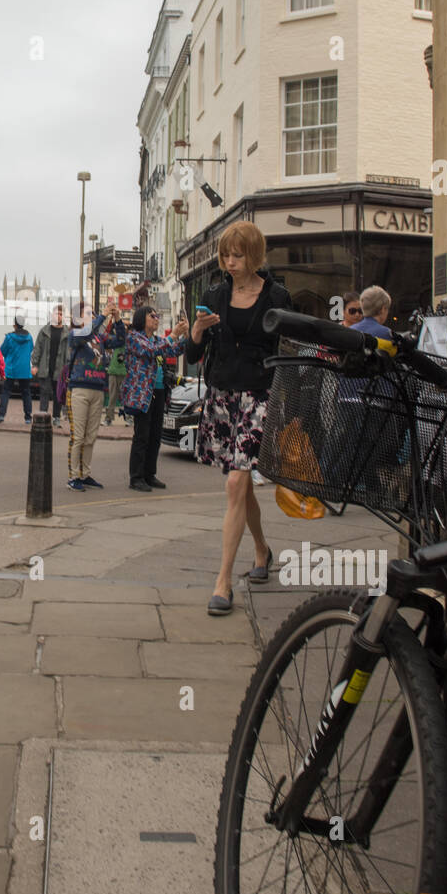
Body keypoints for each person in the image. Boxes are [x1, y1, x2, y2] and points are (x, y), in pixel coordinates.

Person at [184, 221, 293, 615]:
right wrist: (197, 331)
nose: (231, 262)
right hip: (222, 394)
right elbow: (192, 356)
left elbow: (289, 351)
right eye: (226, 255)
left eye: (239, 255)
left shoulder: (277, 296)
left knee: (235, 483)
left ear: (255, 255)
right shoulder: (214, 294)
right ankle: (261, 550)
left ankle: (223, 582)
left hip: (260, 395)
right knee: (241, 487)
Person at [122, 306, 190, 491]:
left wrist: (186, 335)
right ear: (141, 318)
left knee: (155, 436)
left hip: (158, 391)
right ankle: (136, 477)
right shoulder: (134, 338)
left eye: (157, 315)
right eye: (152, 316)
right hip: (142, 394)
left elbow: (173, 351)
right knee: (142, 436)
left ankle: (149, 474)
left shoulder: (157, 339)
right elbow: (151, 351)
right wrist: (173, 334)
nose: (156, 318)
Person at [66, 298, 126, 490]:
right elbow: (84, 334)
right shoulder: (75, 334)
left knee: (91, 436)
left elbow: (120, 341)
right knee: (78, 436)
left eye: (92, 313)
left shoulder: (99, 338)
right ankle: (73, 476)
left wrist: (117, 320)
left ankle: (85, 473)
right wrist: (102, 316)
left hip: (97, 388)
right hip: (79, 388)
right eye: (87, 313)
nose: (91, 316)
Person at [32, 304, 68, 428]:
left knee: (58, 395)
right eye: (56, 313)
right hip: (45, 367)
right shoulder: (44, 331)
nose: (58, 316)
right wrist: (35, 364)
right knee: (44, 393)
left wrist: (68, 369)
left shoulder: (67, 333)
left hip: (60, 369)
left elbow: (69, 353)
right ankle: (43, 416)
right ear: (51, 315)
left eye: (60, 314)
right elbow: (37, 348)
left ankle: (56, 417)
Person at [0, 314, 35, 424]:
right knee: (26, 393)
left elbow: (2, 351)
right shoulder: (29, 337)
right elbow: (31, 348)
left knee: (6, 392)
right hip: (25, 370)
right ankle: (28, 417)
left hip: (11, 369)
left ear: (15, 325)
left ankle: (1, 415)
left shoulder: (9, 337)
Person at [104, 339, 127, 426]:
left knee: (126, 397)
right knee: (112, 397)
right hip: (113, 372)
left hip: (124, 372)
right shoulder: (114, 341)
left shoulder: (129, 341)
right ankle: (109, 418)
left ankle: (128, 418)